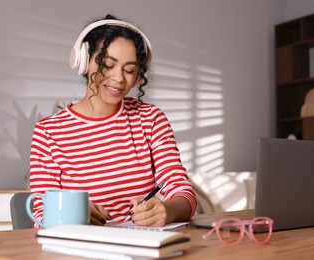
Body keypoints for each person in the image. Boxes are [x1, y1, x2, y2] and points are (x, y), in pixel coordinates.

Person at [29, 14, 197, 227]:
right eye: (108, 65)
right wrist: (76, 215)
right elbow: (41, 215)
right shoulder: (48, 132)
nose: (119, 78)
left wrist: (168, 211)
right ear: (84, 61)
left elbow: (183, 192)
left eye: (129, 70)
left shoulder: (151, 120)